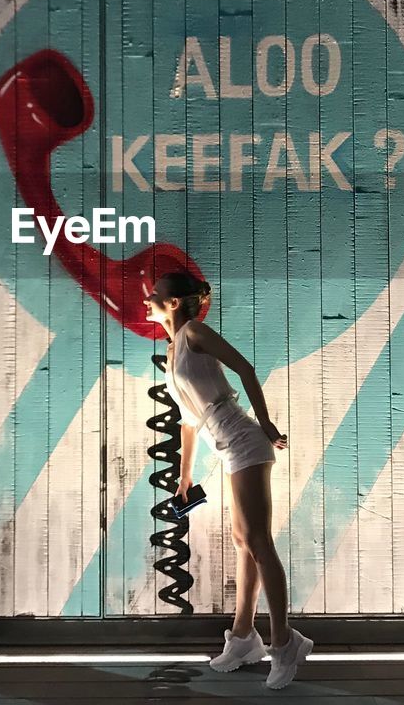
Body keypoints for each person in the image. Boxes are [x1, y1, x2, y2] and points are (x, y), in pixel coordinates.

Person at [143, 272, 314, 690]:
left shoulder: (195, 332)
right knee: (243, 541)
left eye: (156, 295)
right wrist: (184, 476)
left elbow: (245, 368)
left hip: (245, 441)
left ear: (177, 303)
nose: (147, 300)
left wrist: (268, 423)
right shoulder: (172, 351)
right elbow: (187, 421)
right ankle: (243, 637)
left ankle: (285, 642)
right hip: (225, 448)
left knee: (258, 542)